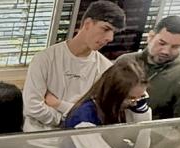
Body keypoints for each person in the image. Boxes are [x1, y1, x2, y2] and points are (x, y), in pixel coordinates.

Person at [23, 0, 125, 134]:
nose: (110, 38)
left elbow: (97, 113)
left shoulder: (105, 68)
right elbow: (32, 107)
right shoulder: (44, 59)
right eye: (105, 29)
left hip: (76, 141)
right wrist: (72, 119)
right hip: (37, 138)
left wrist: (57, 104)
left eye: (114, 33)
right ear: (87, 24)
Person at [117, 16, 180, 119]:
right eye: (162, 43)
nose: (165, 51)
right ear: (151, 36)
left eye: (175, 47)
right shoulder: (124, 61)